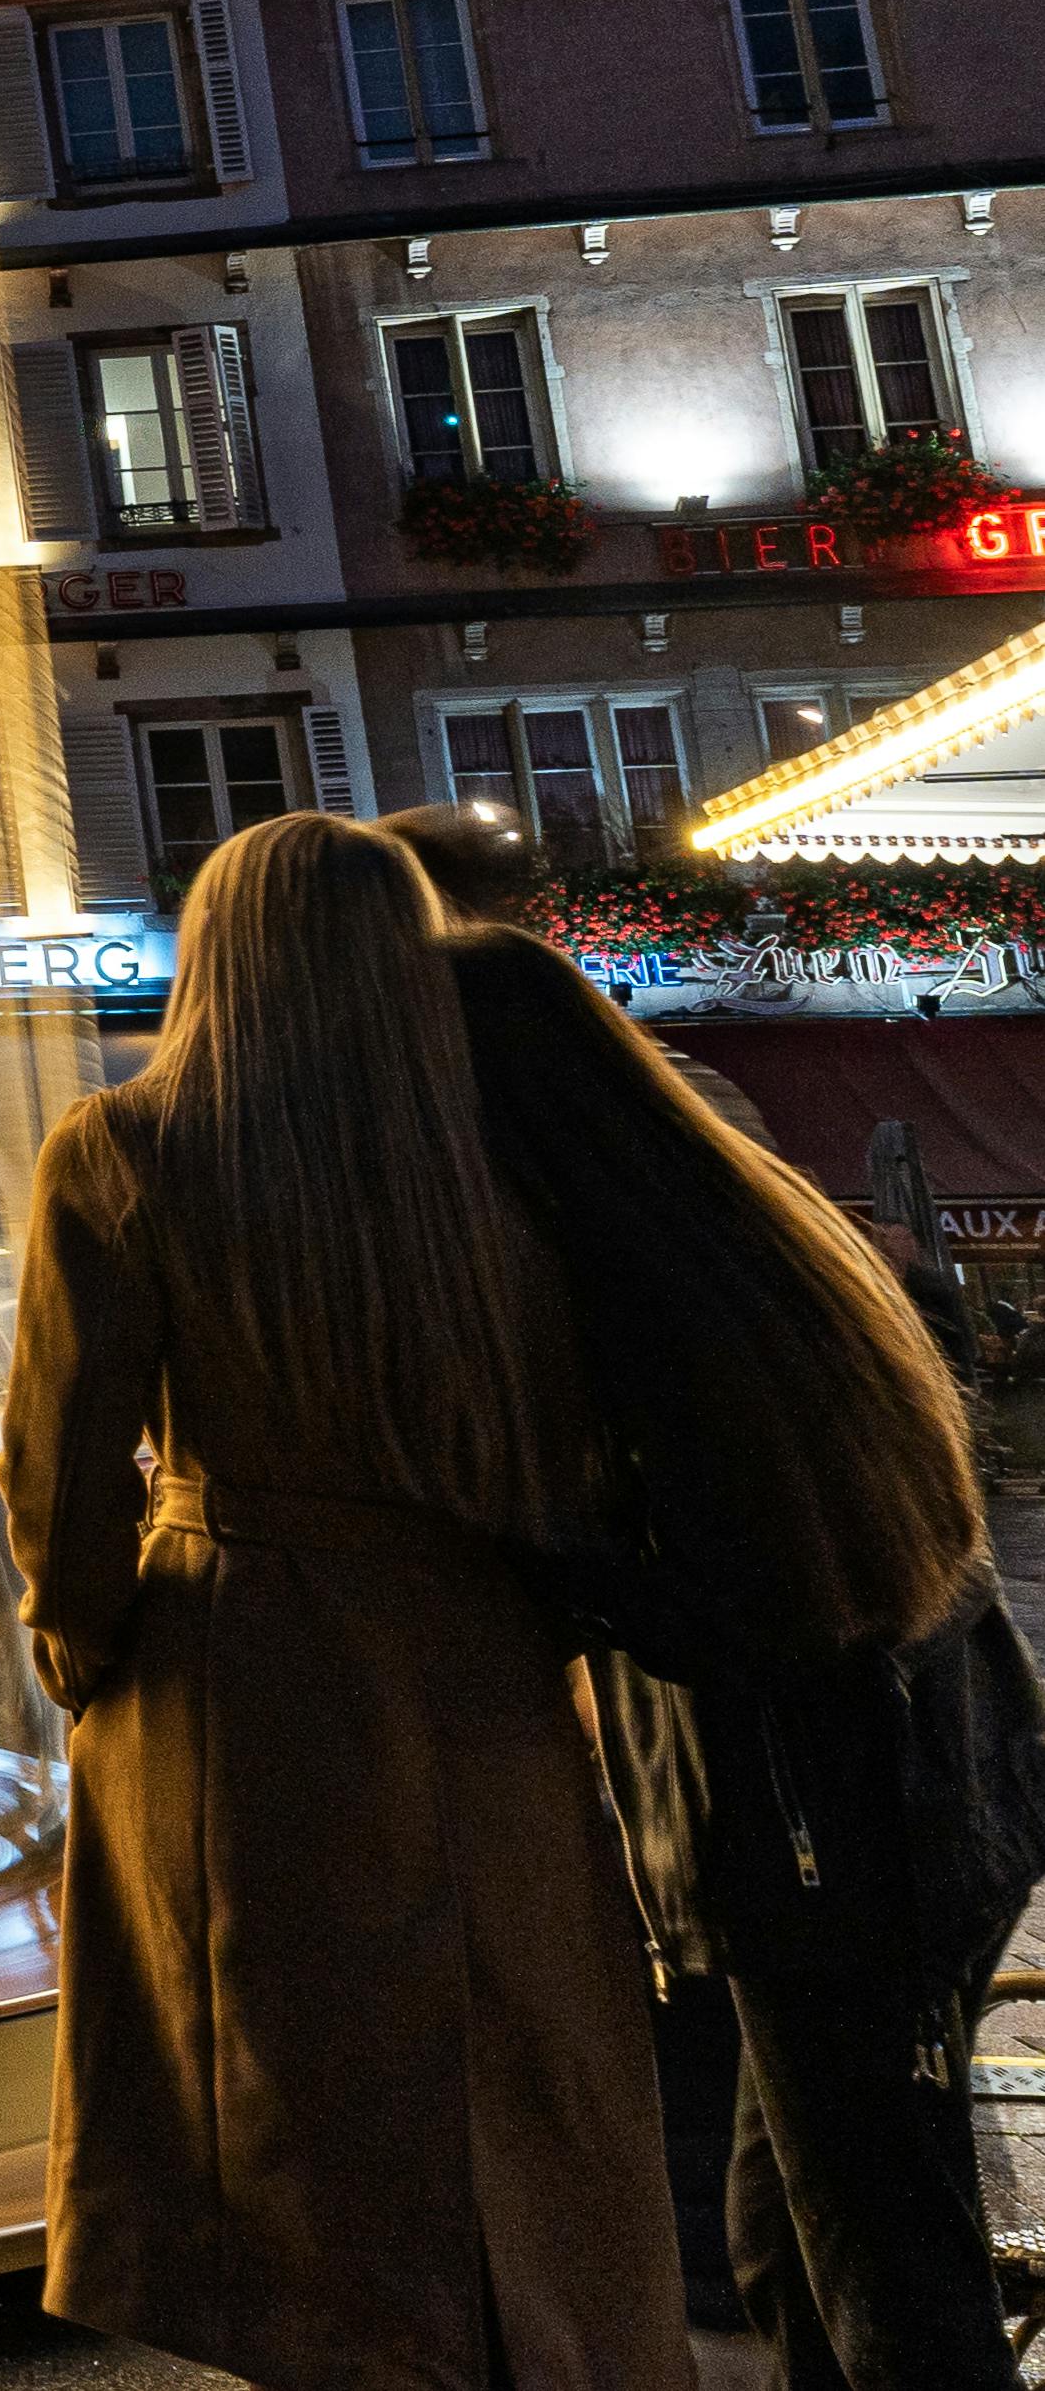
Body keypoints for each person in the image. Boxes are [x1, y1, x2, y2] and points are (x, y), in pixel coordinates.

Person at [6, 812, 687, 2390]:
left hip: (244, 1667)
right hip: (482, 1655)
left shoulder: (125, 1148)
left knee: (292, 2088)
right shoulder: (501, 1162)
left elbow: (63, 1458)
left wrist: (84, 1638)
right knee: (517, 2049)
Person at [432, 864, 1045, 2391]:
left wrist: (532, 1564)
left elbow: (755, 1598)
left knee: (881, 2266)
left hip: (841, 1836)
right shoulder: (741, 1231)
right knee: (793, 2242)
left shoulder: (651, 1308)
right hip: (920, 1795)